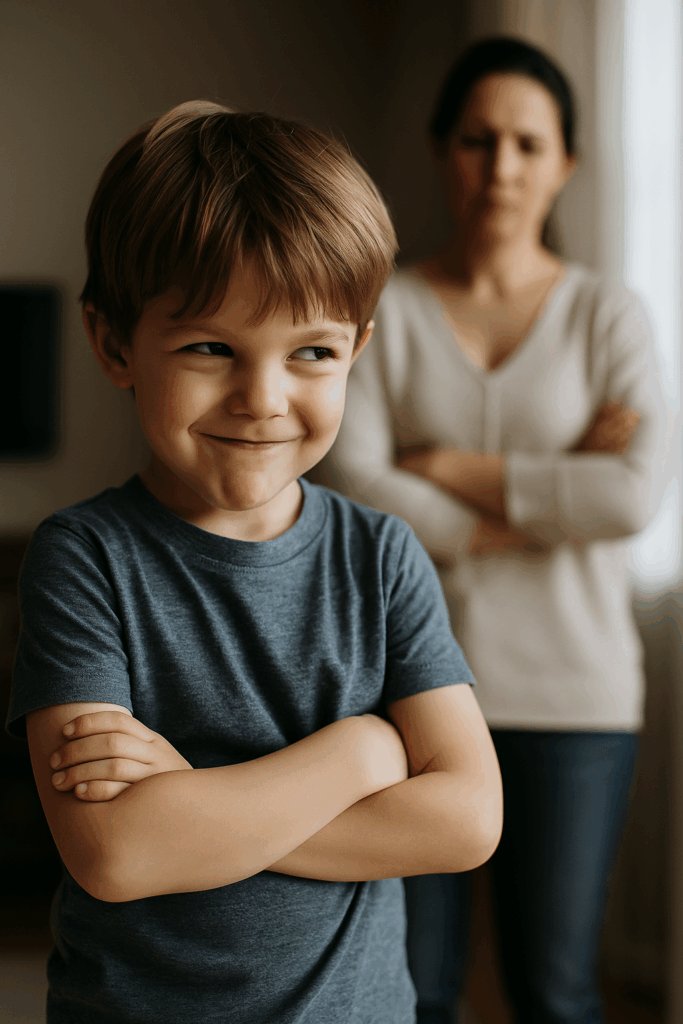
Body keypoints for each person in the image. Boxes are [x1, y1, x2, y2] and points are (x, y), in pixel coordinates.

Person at [6, 101, 503, 1024]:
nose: (263, 398)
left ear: (355, 349)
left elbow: (467, 821)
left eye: (311, 351)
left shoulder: (381, 556)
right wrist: (362, 752)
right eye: (210, 347)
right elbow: (116, 853)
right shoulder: (84, 558)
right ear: (113, 343)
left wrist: (189, 808)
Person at [315, 36, 664, 1024]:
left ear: (565, 164)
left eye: (526, 143)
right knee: (412, 991)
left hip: (574, 700)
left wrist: (443, 467)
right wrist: (551, 494)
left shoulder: (607, 314)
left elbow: (631, 495)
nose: (500, 166)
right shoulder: (386, 308)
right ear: (442, 152)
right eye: (476, 140)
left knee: (554, 991)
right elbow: (351, 479)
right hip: (408, 694)